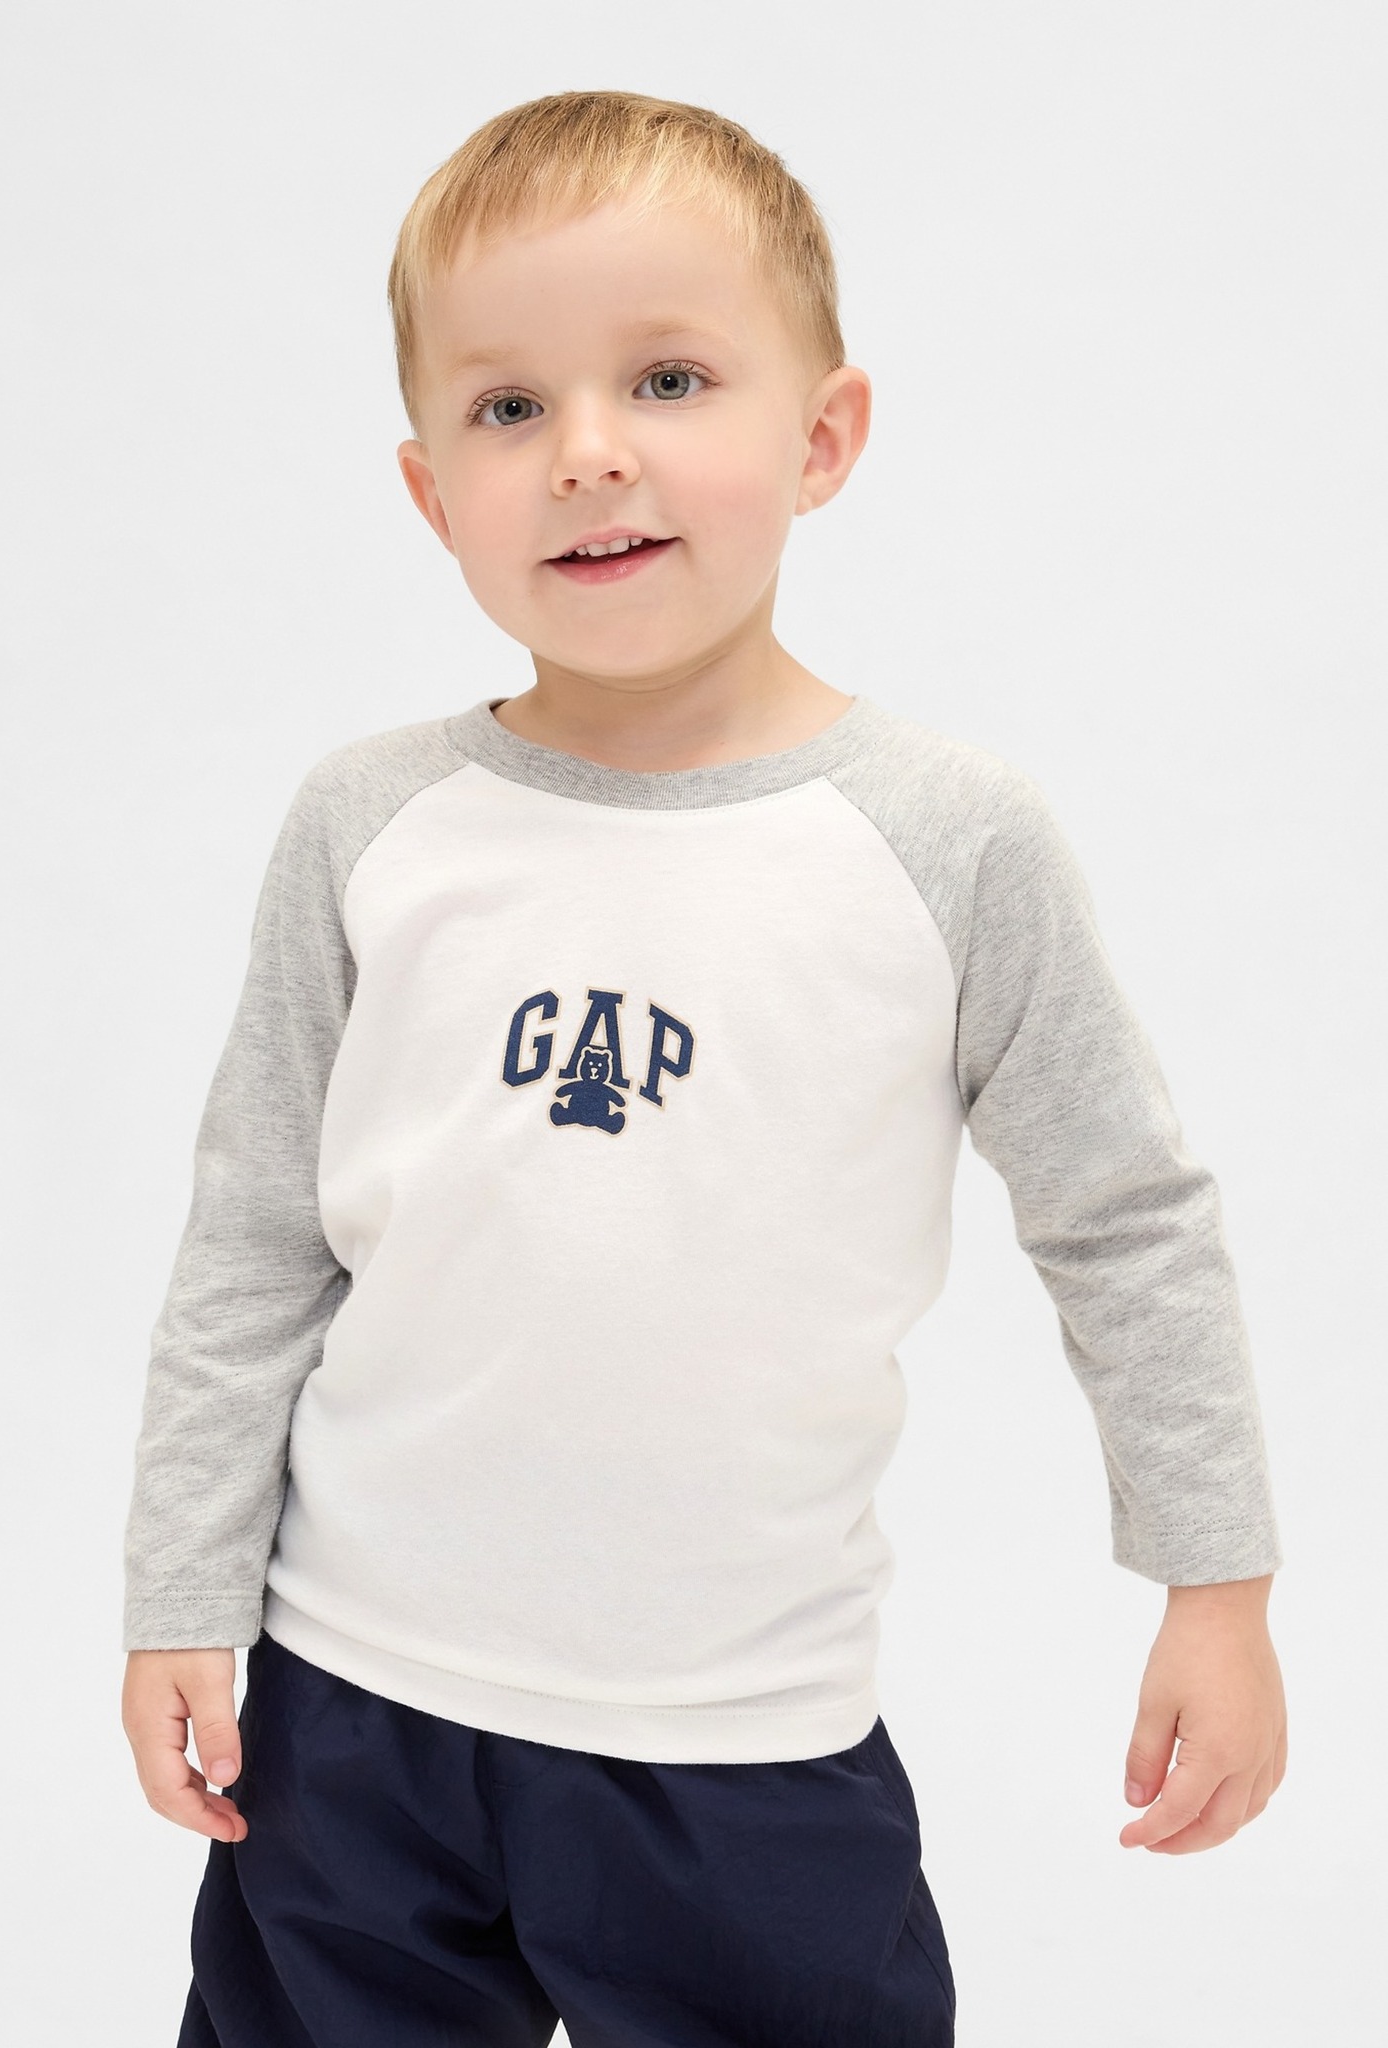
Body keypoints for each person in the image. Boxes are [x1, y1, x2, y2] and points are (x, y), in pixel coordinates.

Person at [119, 89, 1287, 2048]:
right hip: (352, 1711)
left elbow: (1127, 1224)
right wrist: (179, 1590)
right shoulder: (372, 825)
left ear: (820, 436)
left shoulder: (947, 840)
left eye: (667, 378)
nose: (589, 451)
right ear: (430, 492)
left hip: (740, 1737)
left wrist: (1216, 1584)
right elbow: (254, 1236)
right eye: (508, 406)